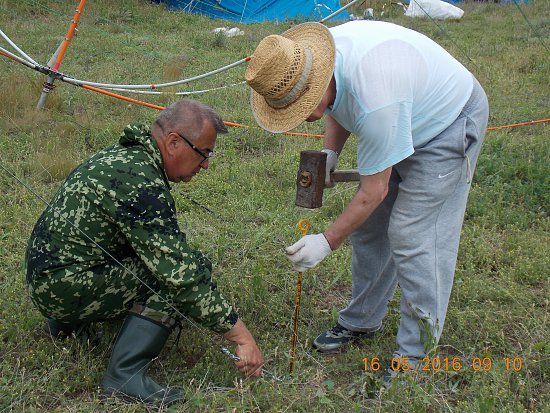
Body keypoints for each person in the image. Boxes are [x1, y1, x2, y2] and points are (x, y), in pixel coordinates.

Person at [245, 21, 489, 381]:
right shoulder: (324, 58)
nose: (309, 115)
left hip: (448, 122)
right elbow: (338, 103)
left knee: (414, 234)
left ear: (320, 78)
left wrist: (326, 242)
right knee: (371, 229)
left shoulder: (377, 100)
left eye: (307, 105)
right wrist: (330, 150)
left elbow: (374, 191)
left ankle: (417, 355)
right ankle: (362, 321)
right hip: (403, 110)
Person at [24, 99, 264, 405]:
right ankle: (123, 377)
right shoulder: (141, 181)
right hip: (63, 287)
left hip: (49, 277)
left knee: (159, 264)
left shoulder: (126, 155)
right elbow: (181, 275)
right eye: (204, 153)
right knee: (181, 273)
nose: (206, 164)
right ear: (174, 142)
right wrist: (240, 336)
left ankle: (67, 325)